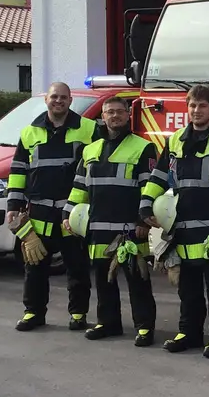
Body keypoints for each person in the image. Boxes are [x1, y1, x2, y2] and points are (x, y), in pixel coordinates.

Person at [139, 84, 209, 358]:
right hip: (183, 228)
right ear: (187, 108)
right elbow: (159, 176)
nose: (196, 111)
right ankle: (189, 332)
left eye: (202, 106)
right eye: (192, 105)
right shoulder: (174, 140)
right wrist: (145, 203)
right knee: (188, 288)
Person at [64, 97, 159, 346]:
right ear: (102, 117)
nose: (114, 116)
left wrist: (143, 221)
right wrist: (68, 213)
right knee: (104, 282)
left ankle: (145, 327)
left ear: (128, 115)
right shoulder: (90, 150)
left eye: (119, 112)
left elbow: (149, 188)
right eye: (109, 112)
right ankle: (108, 323)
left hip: (130, 229)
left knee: (138, 282)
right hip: (97, 227)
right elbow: (79, 187)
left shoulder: (143, 147)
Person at [7, 82, 98, 331]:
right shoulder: (29, 133)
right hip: (39, 213)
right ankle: (33, 313)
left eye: (64, 97)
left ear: (70, 101)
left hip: (74, 213)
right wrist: (13, 204)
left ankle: (78, 314)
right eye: (54, 97)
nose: (59, 101)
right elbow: (18, 171)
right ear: (46, 99)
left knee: (77, 267)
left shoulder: (89, 128)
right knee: (34, 267)